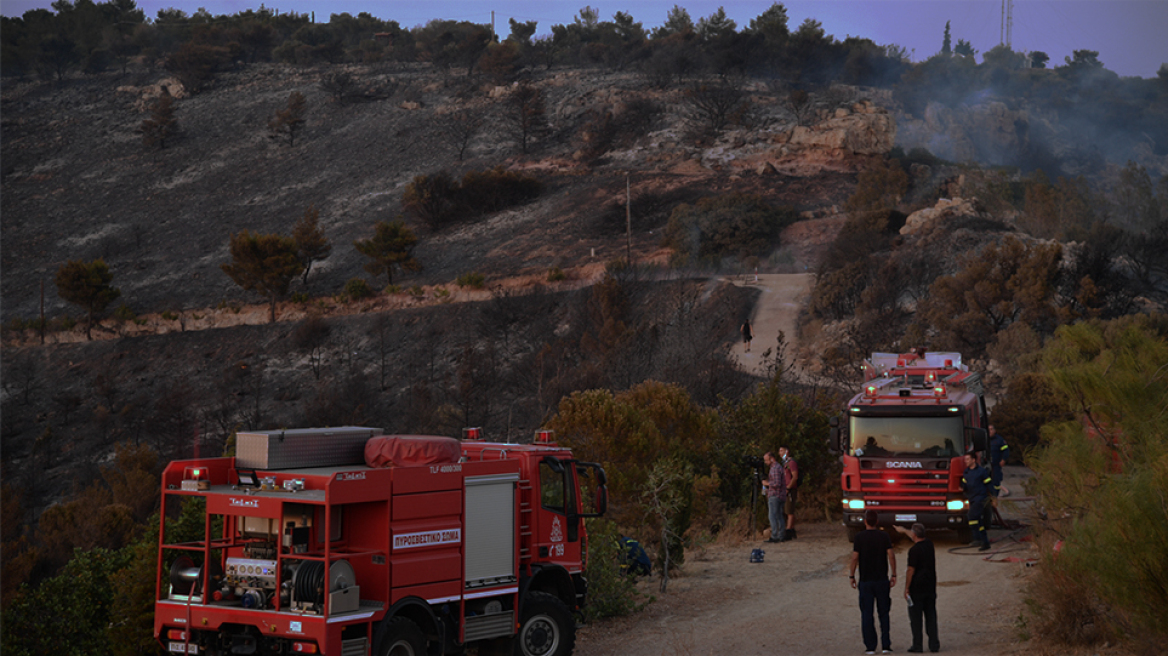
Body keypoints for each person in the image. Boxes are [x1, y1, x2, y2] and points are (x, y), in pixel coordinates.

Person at [850, 509, 896, 655]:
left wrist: (852, 575)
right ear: (877, 521)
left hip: (866, 580)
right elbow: (891, 555)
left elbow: (855, 557)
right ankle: (886, 645)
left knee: (867, 613)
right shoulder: (884, 536)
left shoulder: (859, 537)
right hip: (881, 579)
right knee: (884, 613)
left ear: (865, 521)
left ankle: (870, 646)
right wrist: (893, 574)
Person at [896, 523, 940, 653]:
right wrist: (904, 531)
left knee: (916, 618)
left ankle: (917, 645)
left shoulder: (914, 551)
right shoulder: (929, 545)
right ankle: (934, 644)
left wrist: (906, 588)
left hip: (917, 588)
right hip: (930, 586)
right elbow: (913, 535)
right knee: (931, 616)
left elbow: (911, 570)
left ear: (914, 534)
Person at [962, 452, 992, 551]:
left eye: (967, 459)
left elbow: (989, 484)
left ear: (973, 460)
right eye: (965, 459)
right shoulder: (966, 472)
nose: (965, 461)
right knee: (977, 520)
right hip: (972, 498)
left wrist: (993, 497)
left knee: (971, 516)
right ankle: (984, 541)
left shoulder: (981, 472)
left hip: (980, 498)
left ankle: (978, 539)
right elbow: (964, 484)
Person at [762, 451, 786, 542]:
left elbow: (777, 483)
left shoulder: (775, 468)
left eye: (766, 460)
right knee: (779, 515)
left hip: (775, 495)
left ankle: (775, 536)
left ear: (771, 459)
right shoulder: (777, 467)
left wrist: (766, 483)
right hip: (780, 495)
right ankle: (781, 535)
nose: (765, 462)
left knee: (773, 516)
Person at [779, 446, 799, 539]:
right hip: (785, 488)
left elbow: (795, 477)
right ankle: (791, 530)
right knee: (786, 510)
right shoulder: (785, 463)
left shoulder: (791, 463)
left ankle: (788, 531)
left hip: (790, 489)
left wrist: (788, 487)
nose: (780, 453)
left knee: (789, 510)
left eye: (782, 450)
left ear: (787, 451)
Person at [988, 425, 1009, 500]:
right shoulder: (985, 439)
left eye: (991, 429)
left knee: (996, 481)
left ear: (994, 431)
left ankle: (995, 495)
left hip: (996, 464)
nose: (990, 431)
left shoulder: (1000, 440)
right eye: (988, 429)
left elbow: (1006, 451)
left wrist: (1003, 460)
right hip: (986, 464)